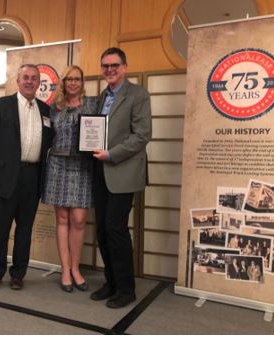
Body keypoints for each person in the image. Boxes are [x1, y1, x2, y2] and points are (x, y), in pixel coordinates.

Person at [0, 64, 53, 291]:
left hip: (33, 177)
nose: (30, 81)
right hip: (4, 178)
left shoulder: (45, 110)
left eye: (34, 78)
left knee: (24, 231)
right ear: (18, 81)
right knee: (0, 228)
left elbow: (48, 144)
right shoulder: (1, 106)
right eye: (26, 78)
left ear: (39, 83)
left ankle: (18, 274)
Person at [90, 47, 152, 308]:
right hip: (100, 171)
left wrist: (111, 154)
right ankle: (111, 282)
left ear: (124, 67)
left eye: (114, 65)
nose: (109, 70)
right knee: (102, 230)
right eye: (105, 66)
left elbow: (142, 135)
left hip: (123, 171)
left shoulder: (138, 94)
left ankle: (126, 289)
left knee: (116, 229)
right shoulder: (102, 95)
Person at [41, 66, 98, 293]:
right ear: (63, 83)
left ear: (82, 82)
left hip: (83, 166)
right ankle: (65, 270)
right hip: (57, 165)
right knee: (62, 218)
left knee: (79, 219)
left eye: (77, 79)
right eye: (69, 79)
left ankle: (76, 268)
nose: (73, 83)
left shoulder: (92, 104)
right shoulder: (53, 109)